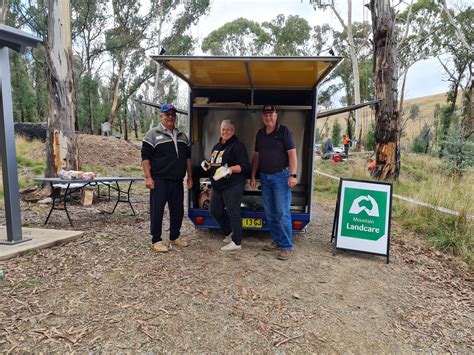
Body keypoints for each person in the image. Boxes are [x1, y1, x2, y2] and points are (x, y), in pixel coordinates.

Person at [141, 103, 193, 252]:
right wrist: (148, 177)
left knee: (177, 210)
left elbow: (188, 158)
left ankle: (174, 236)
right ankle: (156, 240)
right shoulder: (152, 134)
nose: (170, 117)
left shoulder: (183, 136)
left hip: (177, 181)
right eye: (167, 114)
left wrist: (189, 177)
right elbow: (145, 158)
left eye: (173, 114)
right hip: (159, 180)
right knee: (157, 210)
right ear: (161, 116)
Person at [250, 105, 297, 260]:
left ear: (276, 116)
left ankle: (286, 246)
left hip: (281, 177)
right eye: (265, 115)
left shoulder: (284, 132)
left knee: (282, 213)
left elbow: (292, 155)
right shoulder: (260, 134)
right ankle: (276, 241)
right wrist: (253, 175)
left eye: (271, 114)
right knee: (270, 212)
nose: (268, 117)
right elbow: (256, 156)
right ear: (262, 117)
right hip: (265, 177)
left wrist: (293, 175)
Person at [204, 120, 250, 251]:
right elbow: (215, 164)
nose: (225, 132)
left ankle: (237, 242)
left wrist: (230, 169)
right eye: (223, 129)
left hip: (233, 184)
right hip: (218, 185)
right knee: (214, 210)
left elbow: (245, 166)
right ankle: (229, 232)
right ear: (220, 131)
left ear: (233, 131)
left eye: (228, 129)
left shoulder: (237, 146)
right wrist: (208, 165)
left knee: (233, 211)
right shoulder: (217, 146)